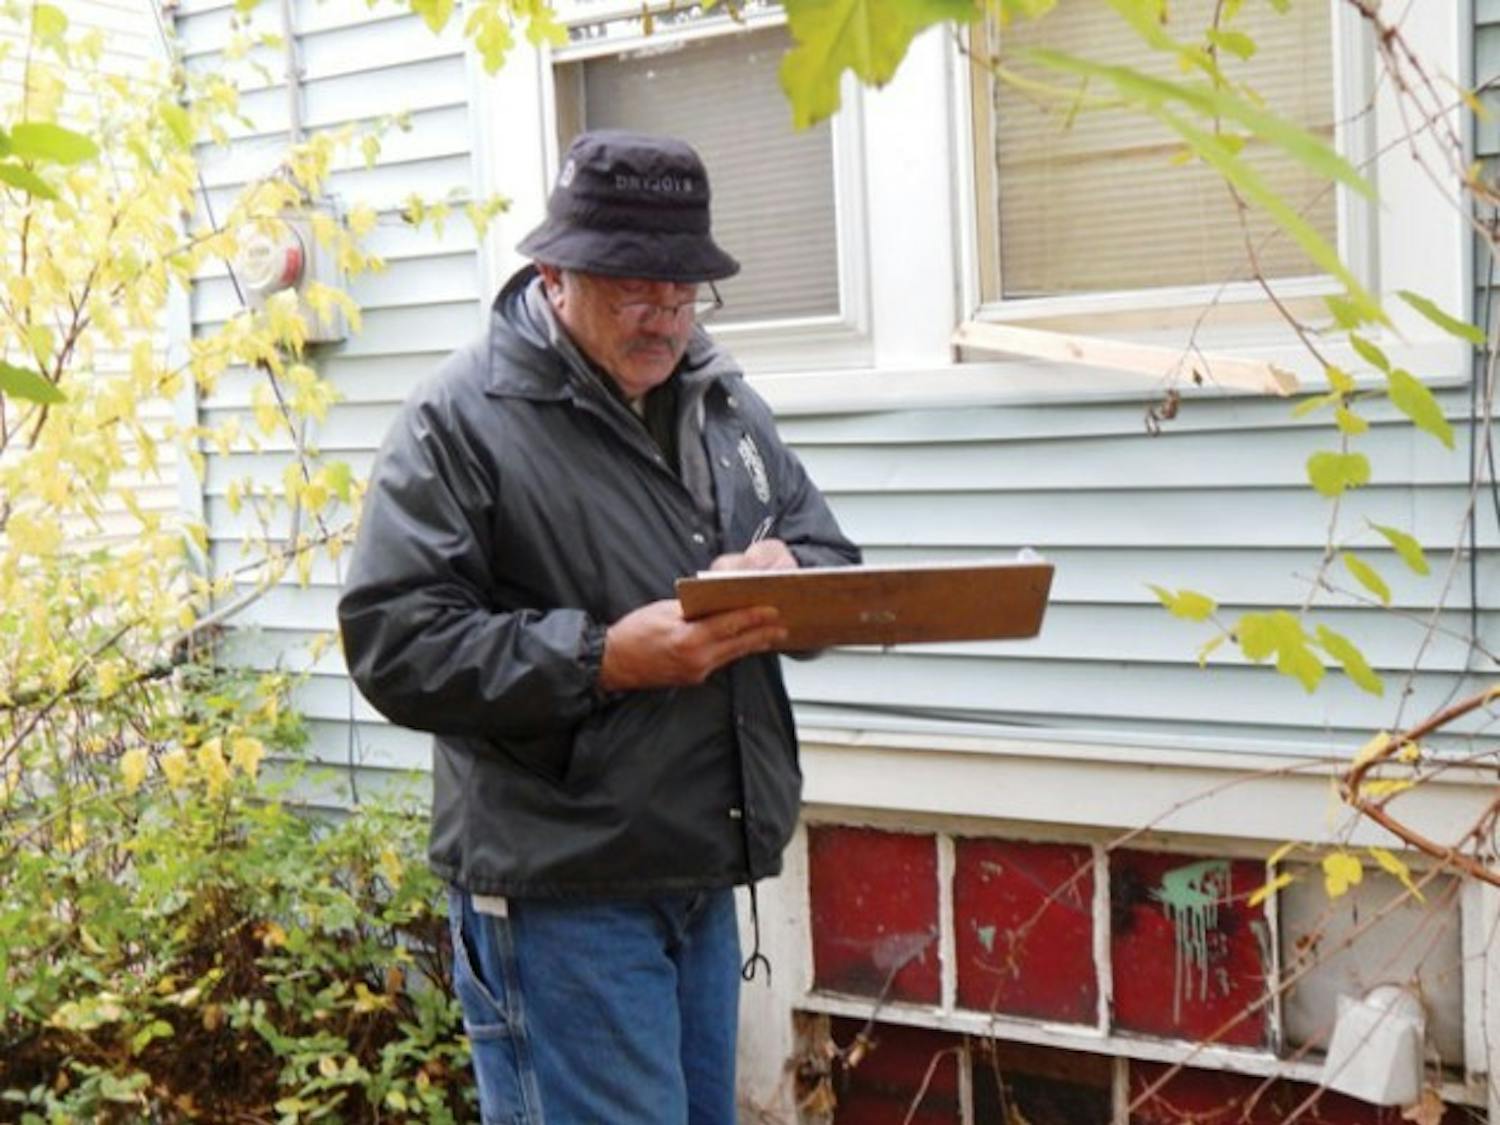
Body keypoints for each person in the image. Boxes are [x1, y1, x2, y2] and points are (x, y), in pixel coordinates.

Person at [337, 129, 860, 1125]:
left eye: (683, 291)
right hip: (561, 889)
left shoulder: (723, 403)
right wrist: (604, 658)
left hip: (699, 865)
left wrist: (789, 580)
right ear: (554, 273)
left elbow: (831, 560)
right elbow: (395, 641)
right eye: (634, 290)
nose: (664, 318)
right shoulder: (458, 419)